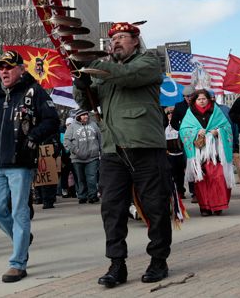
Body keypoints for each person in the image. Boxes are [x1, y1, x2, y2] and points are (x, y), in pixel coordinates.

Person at [73, 22, 173, 287]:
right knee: (112, 210)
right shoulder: (105, 70)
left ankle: (159, 260)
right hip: (112, 149)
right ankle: (117, 264)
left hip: (145, 148)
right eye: (112, 38)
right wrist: (80, 83)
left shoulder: (148, 63)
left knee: (156, 208)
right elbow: (86, 102)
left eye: (121, 37)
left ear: (135, 41)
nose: (115, 42)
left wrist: (94, 67)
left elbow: (127, 76)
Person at [0, 50, 60, 283]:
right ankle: (23, 238)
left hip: (21, 163)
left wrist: (33, 137)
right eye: (1, 67)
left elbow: (52, 120)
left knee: (19, 212)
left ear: (20, 69)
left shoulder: (34, 91)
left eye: (9, 67)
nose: (4, 71)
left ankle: (18, 263)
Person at [179, 89, 234, 216]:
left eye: (204, 98)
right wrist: (196, 132)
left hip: (216, 153)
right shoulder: (190, 113)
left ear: (209, 99)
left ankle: (218, 205)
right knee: (202, 180)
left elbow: (227, 127)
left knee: (219, 177)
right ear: (195, 100)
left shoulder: (216, 111)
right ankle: (205, 207)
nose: (202, 101)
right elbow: (183, 130)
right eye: (199, 99)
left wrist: (218, 132)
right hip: (199, 154)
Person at [63, 109, 101, 204]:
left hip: (93, 157)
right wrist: (77, 151)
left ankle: (92, 196)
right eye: (83, 115)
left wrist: (102, 151)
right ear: (78, 116)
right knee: (80, 178)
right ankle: (82, 196)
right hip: (77, 158)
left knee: (92, 177)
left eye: (86, 114)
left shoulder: (93, 125)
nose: (86, 116)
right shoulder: (71, 127)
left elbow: (100, 138)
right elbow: (66, 142)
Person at [170, 85, 197, 201]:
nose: (189, 98)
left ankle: (197, 191)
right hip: (186, 140)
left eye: (191, 96)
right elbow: (174, 122)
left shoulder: (199, 104)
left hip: (199, 137)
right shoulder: (179, 106)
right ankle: (189, 191)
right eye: (186, 96)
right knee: (188, 163)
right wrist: (182, 129)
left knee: (198, 164)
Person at [164, 107, 186, 200]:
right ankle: (174, 191)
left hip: (180, 153)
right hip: (169, 154)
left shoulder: (179, 125)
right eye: (168, 113)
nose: (170, 115)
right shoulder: (164, 125)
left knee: (181, 174)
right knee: (172, 174)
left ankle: (181, 191)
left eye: (172, 113)